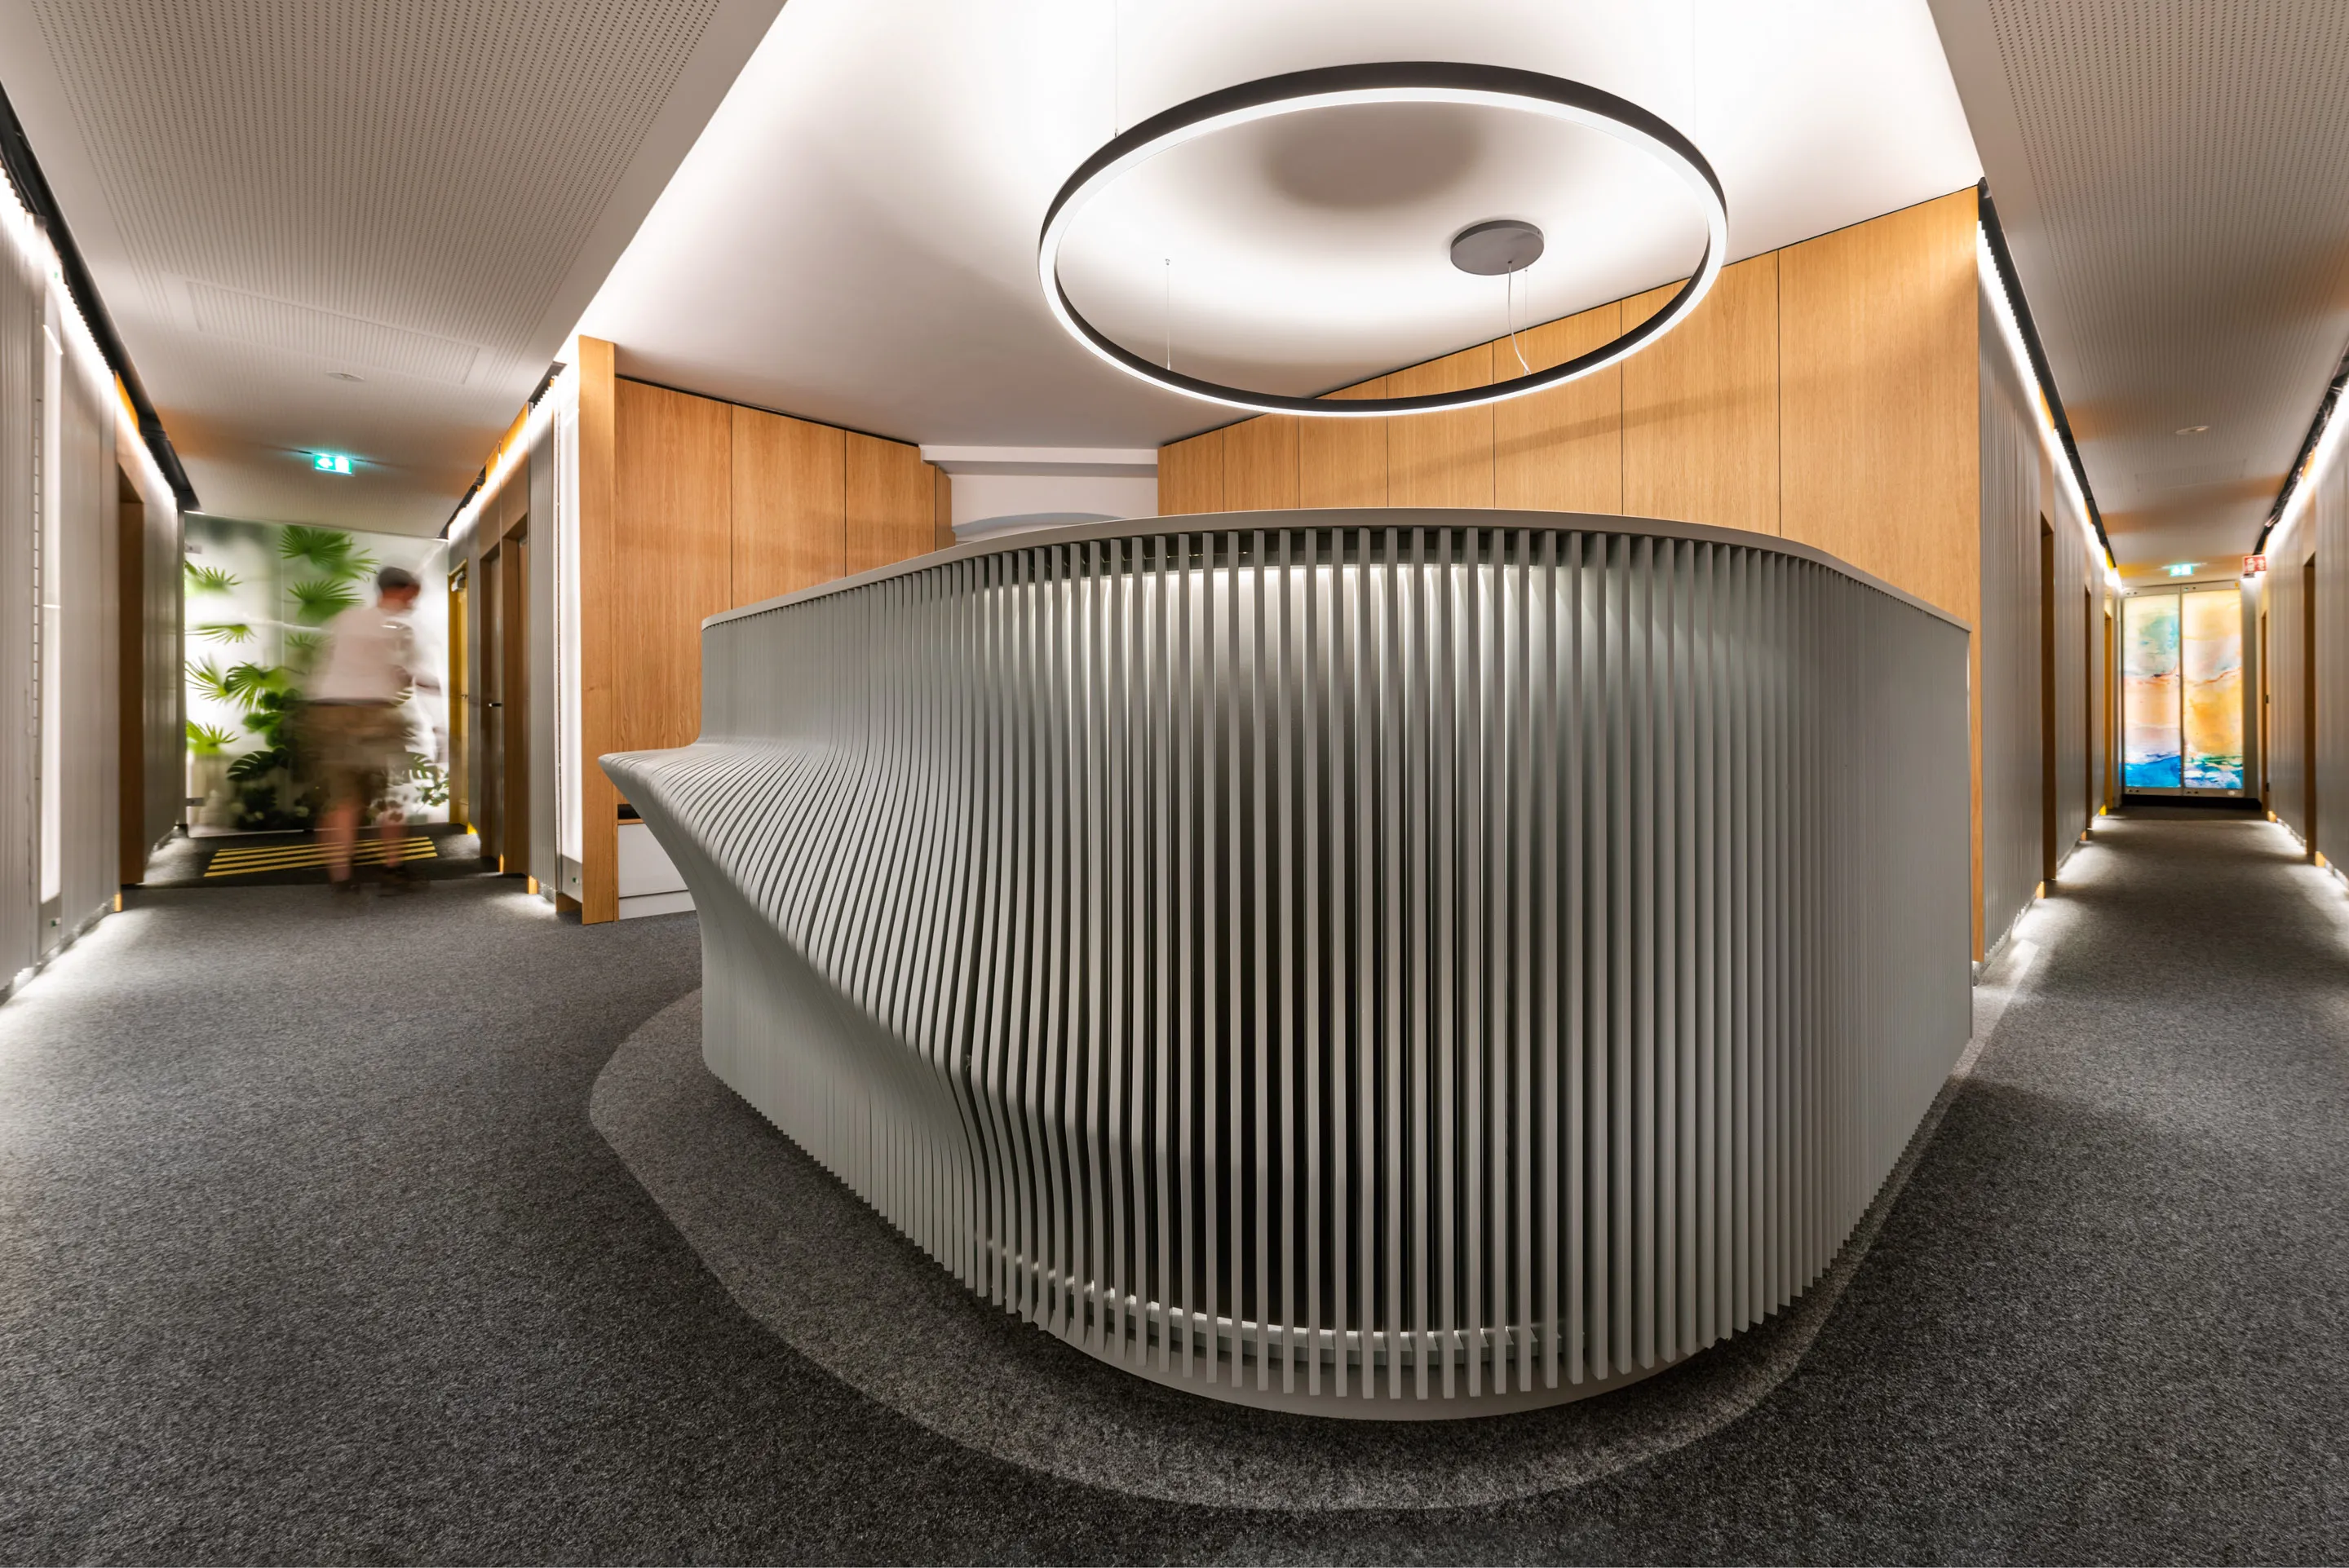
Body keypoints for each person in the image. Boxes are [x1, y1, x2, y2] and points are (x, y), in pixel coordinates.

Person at [310, 564, 438, 890]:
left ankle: (341, 876)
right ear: (405, 589)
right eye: (413, 595)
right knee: (393, 796)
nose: (413, 603)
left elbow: (327, 662)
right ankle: (392, 868)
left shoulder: (345, 620)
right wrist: (438, 688)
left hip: (329, 714)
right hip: (374, 716)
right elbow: (408, 675)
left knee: (345, 799)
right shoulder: (398, 627)